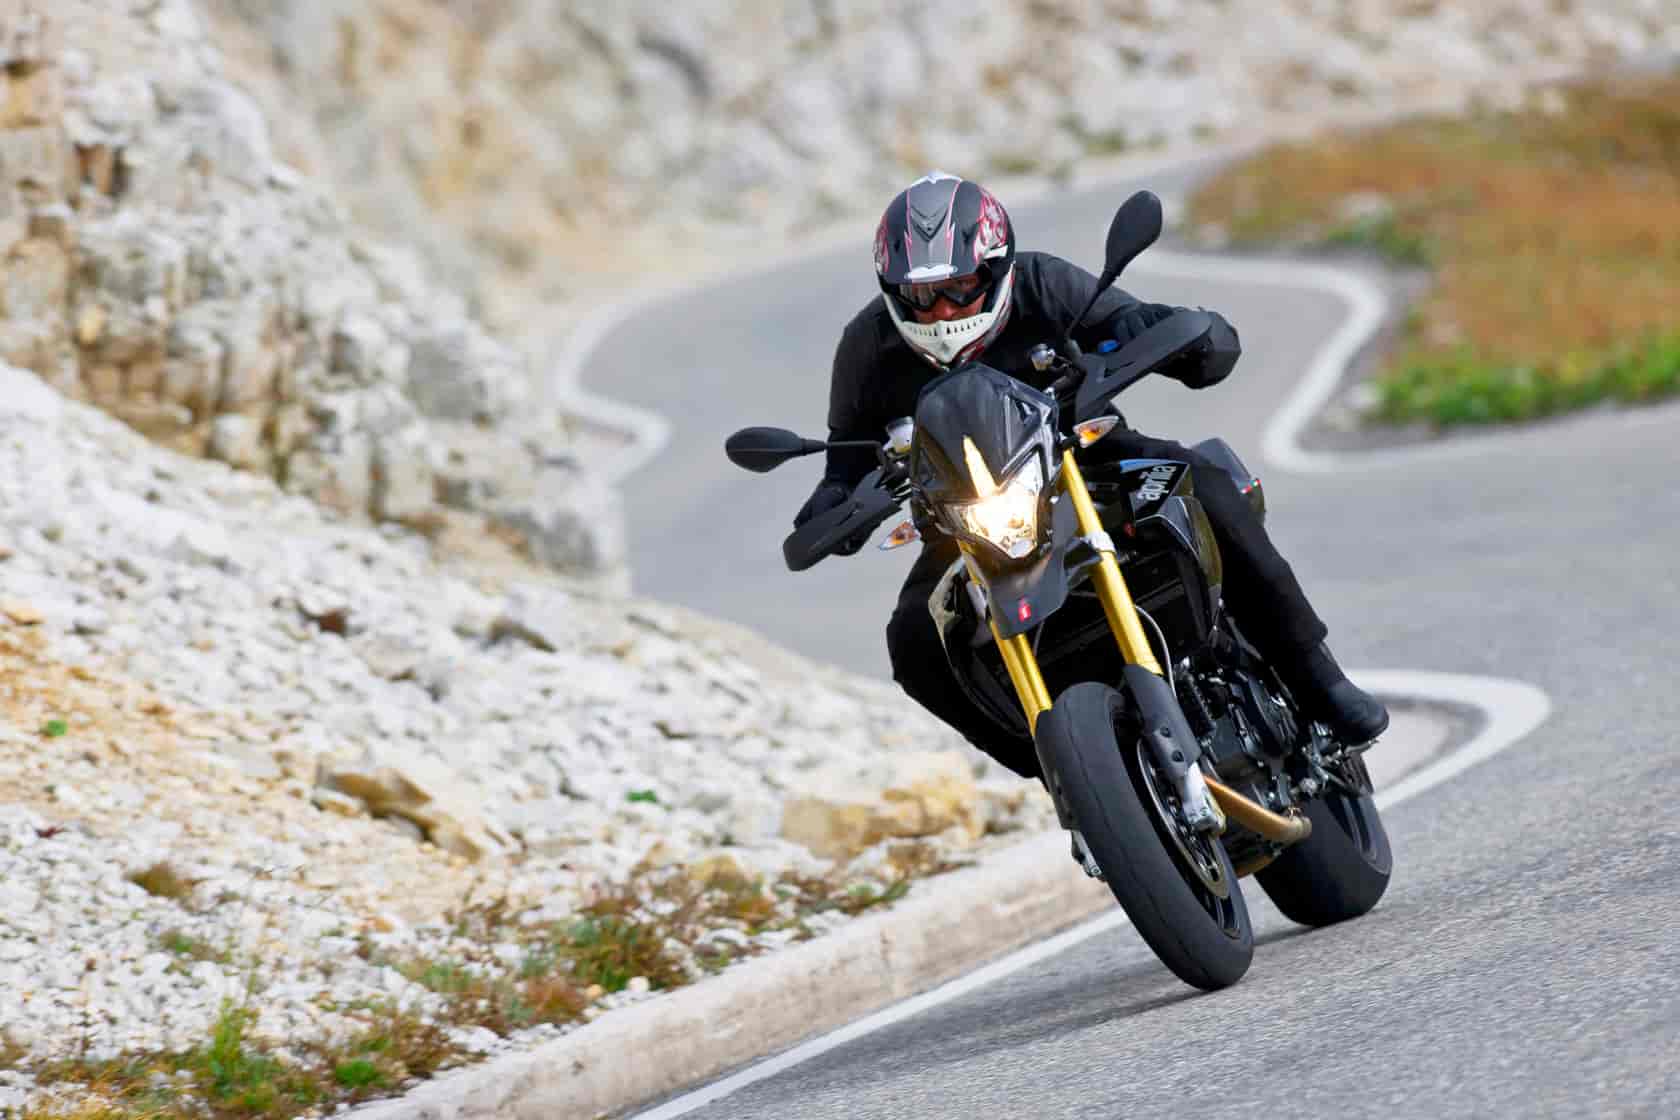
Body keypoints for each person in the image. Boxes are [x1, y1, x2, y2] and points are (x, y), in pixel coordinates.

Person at [796, 172, 1388, 781]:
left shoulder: (1043, 282)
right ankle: (1066, 775)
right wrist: (833, 500)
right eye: (922, 295)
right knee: (914, 643)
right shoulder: (868, 345)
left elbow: (1136, 323)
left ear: (995, 270)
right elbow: (846, 455)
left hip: (1087, 459)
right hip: (967, 524)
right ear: (893, 291)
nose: (942, 309)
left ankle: (1318, 680)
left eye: (961, 286)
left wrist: (1161, 329)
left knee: (1205, 484)